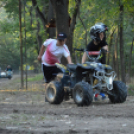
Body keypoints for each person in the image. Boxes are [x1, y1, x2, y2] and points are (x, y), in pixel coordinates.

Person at [82, 23, 108, 101]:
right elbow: (85, 54)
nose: (103, 36)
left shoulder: (103, 43)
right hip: (92, 65)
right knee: (92, 77)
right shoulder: (90, 45)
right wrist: (83, 64)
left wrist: (104, 50)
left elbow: (106, 48)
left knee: (103, 76)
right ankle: (94, 92)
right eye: (101, 34)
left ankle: (101, 91)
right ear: (95, 35)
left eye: (103, 34)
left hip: (101, 64)